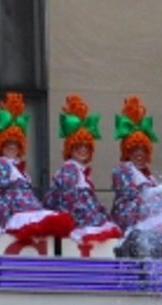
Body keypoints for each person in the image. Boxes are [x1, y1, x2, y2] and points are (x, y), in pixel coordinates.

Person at [111, 95, 162, 255]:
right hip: (133, 225)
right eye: (135, 150)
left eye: (143, 150)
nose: (140, 154)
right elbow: (129, 200)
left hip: (150, 224)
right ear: (127, 152)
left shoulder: (149, 177)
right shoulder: (124, 170)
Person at [0, 92, 73, 242]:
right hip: (18, 214)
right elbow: (0, 195)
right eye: (8, 144)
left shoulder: (19, 168)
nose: (12, 147)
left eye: (16, 144)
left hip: (32, 209)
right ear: (0, 145)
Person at [45, 94, 121, 246]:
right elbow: (70, 201)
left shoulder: (80, 171)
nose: (83, 150)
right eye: (78, 147)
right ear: (70, 149)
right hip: (80, 225)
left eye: (86, 147)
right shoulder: (69, 169)